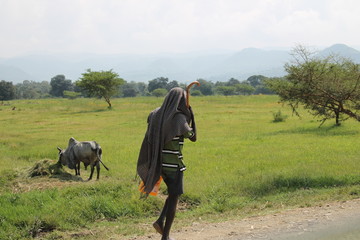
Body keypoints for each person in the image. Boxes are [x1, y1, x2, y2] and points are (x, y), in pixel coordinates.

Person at [137, 87, 197, 240]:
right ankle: (166, 236)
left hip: (157, 161)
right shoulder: (179, 118)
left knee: (172, 193)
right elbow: (193, 137)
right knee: (175, 196)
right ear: (180, 101)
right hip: (173, 164)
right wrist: (192, 116)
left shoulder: (155, 114)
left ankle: (159, 221)